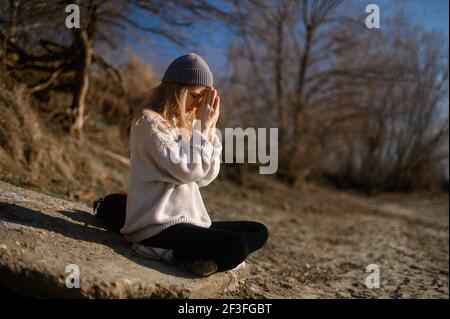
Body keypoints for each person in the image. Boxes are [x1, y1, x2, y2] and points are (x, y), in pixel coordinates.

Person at [120, 53, 268, 277]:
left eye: (204, 98)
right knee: (236, 247)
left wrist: (208, 130)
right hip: (156, 226)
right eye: (196, 96)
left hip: (188, 220)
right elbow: (188, 171)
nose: (200, 104)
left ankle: (202, 257)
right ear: (177, 90)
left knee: (258, 231)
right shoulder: (149, 122)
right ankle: (160, 252)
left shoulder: (187, 125)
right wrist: (202, 128)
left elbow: (205, 177)